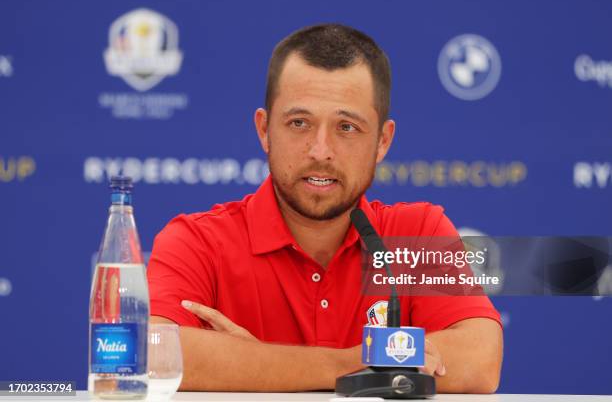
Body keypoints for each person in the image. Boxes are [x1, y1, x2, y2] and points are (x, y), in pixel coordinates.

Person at [147, 24, 503, 393]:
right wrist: (359, 362)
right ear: (265, 130)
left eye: (346, 127)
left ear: (382, 141)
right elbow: (154, 356)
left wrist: (256, 364)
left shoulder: (416, 233)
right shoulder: (197, 241)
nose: (321, 151)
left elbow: (479, 360)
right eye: (299, 123)